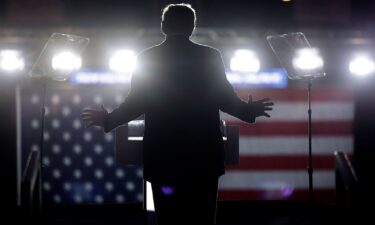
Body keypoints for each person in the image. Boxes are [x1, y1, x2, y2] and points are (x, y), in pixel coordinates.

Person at [81, 3, 273, 225]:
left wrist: (108, 120)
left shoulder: (147, 57)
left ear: (163, 26)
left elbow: (136, 103)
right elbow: (224, 98)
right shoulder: (209, 56)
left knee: (168, 222)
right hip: (203, 158)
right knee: (202, 221)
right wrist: (249, 111)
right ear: (192, 27)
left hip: (164, 158)